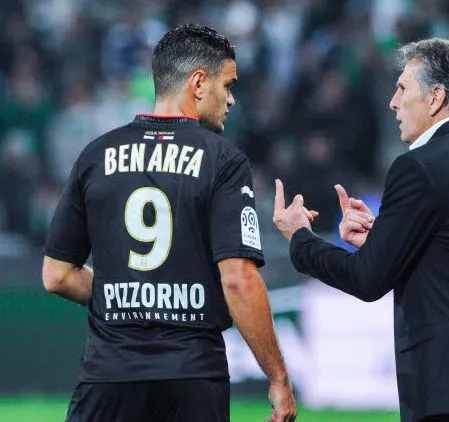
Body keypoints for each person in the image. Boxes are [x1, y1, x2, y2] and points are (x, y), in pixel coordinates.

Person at [273, 38, 449, 422]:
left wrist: (300, 239)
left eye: (402, 88)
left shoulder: (418, 166)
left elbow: (367, 279)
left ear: (435, 98)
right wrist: (388, 238)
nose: (393, 102)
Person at [42, 24, 297, 422]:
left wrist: (125, 294)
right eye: (228, 85)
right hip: (193, 374)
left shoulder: (95, 155)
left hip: (110, 374)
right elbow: (237, 279)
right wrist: (278, 378)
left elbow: (57, 276)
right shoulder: (224, 161)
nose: (231, 99)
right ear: (199, 83)